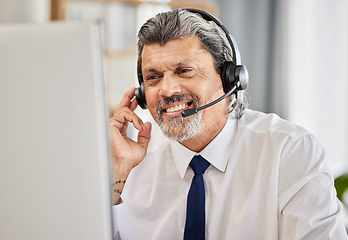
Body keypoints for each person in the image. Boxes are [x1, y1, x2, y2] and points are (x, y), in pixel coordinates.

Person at [109, 8, 347, 239]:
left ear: (230, 79)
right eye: (153, 77)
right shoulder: (131, 161)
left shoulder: (290, 152)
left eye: (184, 71)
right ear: (140, 94)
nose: (167, 90)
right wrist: (117, 173)